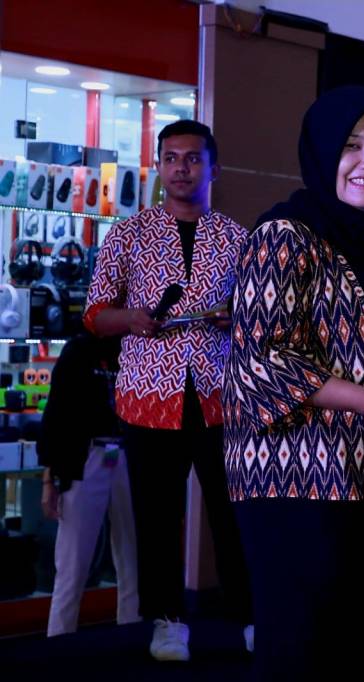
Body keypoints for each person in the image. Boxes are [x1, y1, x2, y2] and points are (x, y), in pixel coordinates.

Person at [223, 86, 364, 681]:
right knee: (300, 657)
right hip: (299, 488)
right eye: (352, 146)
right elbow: (259, 361)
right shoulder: (285, 235)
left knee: (357, 656)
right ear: (320, 151)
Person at [84, 120, 251, 662]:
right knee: (156, 517)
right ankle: (167, 621)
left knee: (234, 514)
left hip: (220, 396)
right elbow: (94, 315)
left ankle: (250, 617)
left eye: (194, 158)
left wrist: (234, 317)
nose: (182, 168)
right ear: (159, 166)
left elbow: (260, 316)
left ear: (214, 168)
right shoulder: (128, 234)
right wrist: (131, 318)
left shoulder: (237, 238)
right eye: (172, 158)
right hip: (147, 396)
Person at [38, 332, 140, 637]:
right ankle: (59, 641)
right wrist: (49, 478)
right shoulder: (78, 350)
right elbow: (57, 414)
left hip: (126, 454)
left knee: (133, 561)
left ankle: (129, 635)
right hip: (86, 457)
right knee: (72, 564)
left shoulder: (133, 345)